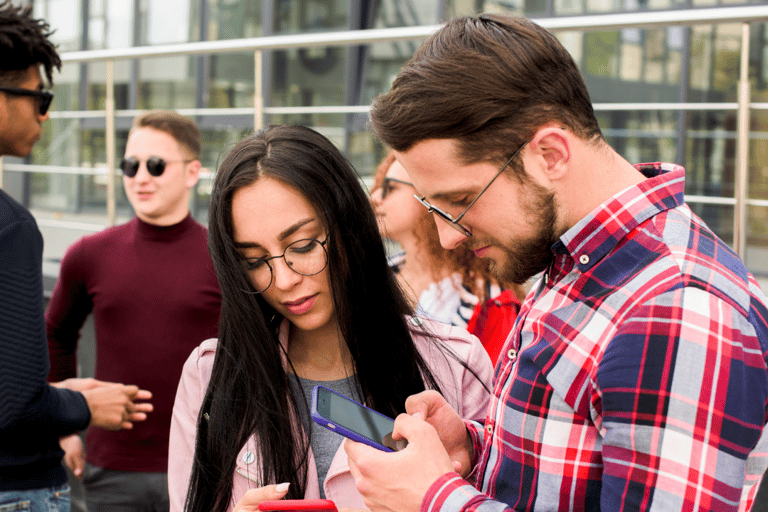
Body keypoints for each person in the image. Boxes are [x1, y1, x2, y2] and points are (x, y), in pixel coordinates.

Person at [345, 13, 768, 512]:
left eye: (461, 199)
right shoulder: (578, 257)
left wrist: (435, 501)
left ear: (550, 154)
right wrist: (473, 449)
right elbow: (579, 462)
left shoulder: (678, 309)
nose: (447, 234)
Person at [167, 124, 494, 512]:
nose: (285, 280)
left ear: (347, 227)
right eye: (254, 261)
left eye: (303, 246)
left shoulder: (455, 363)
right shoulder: (209, 376)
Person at [0, 2, 152, 510]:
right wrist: (83, 405)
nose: (46, 114)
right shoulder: (11, 227)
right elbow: (15, 408)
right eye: (40, 97)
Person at [46, 110, 222, 511]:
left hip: (204, 462)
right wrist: (64, 427)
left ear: (192, 172)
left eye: (156, 165)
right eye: (130, 165)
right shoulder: (88, 254)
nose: (140, 177)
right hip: (111, 470)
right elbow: (54, 336)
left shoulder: (222, 258)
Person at [370, 151, 524, 362]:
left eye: (390, 188)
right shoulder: (368, 277)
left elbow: (492, 389)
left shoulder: (491, 303)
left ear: (429, 198)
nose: (374, 198)